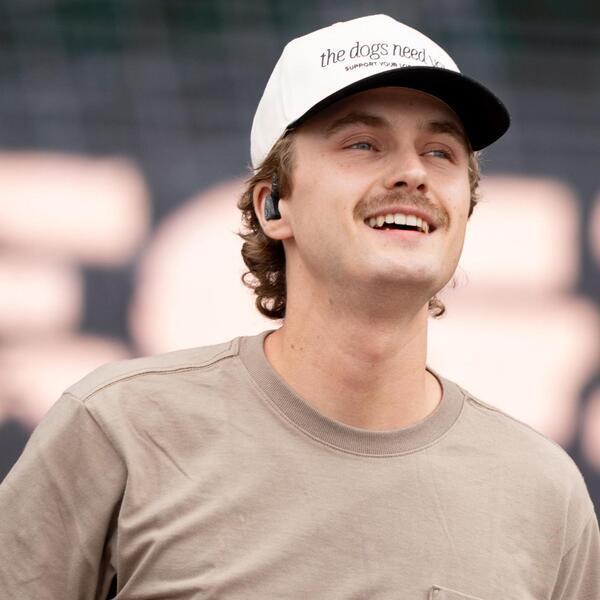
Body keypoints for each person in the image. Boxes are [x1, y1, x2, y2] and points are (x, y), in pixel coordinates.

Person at [0, 14, 598, 600]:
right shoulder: (119, 429)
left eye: (441, 152)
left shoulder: (543, 492)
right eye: (363, 143)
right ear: (273, 206)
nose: (413, 173)